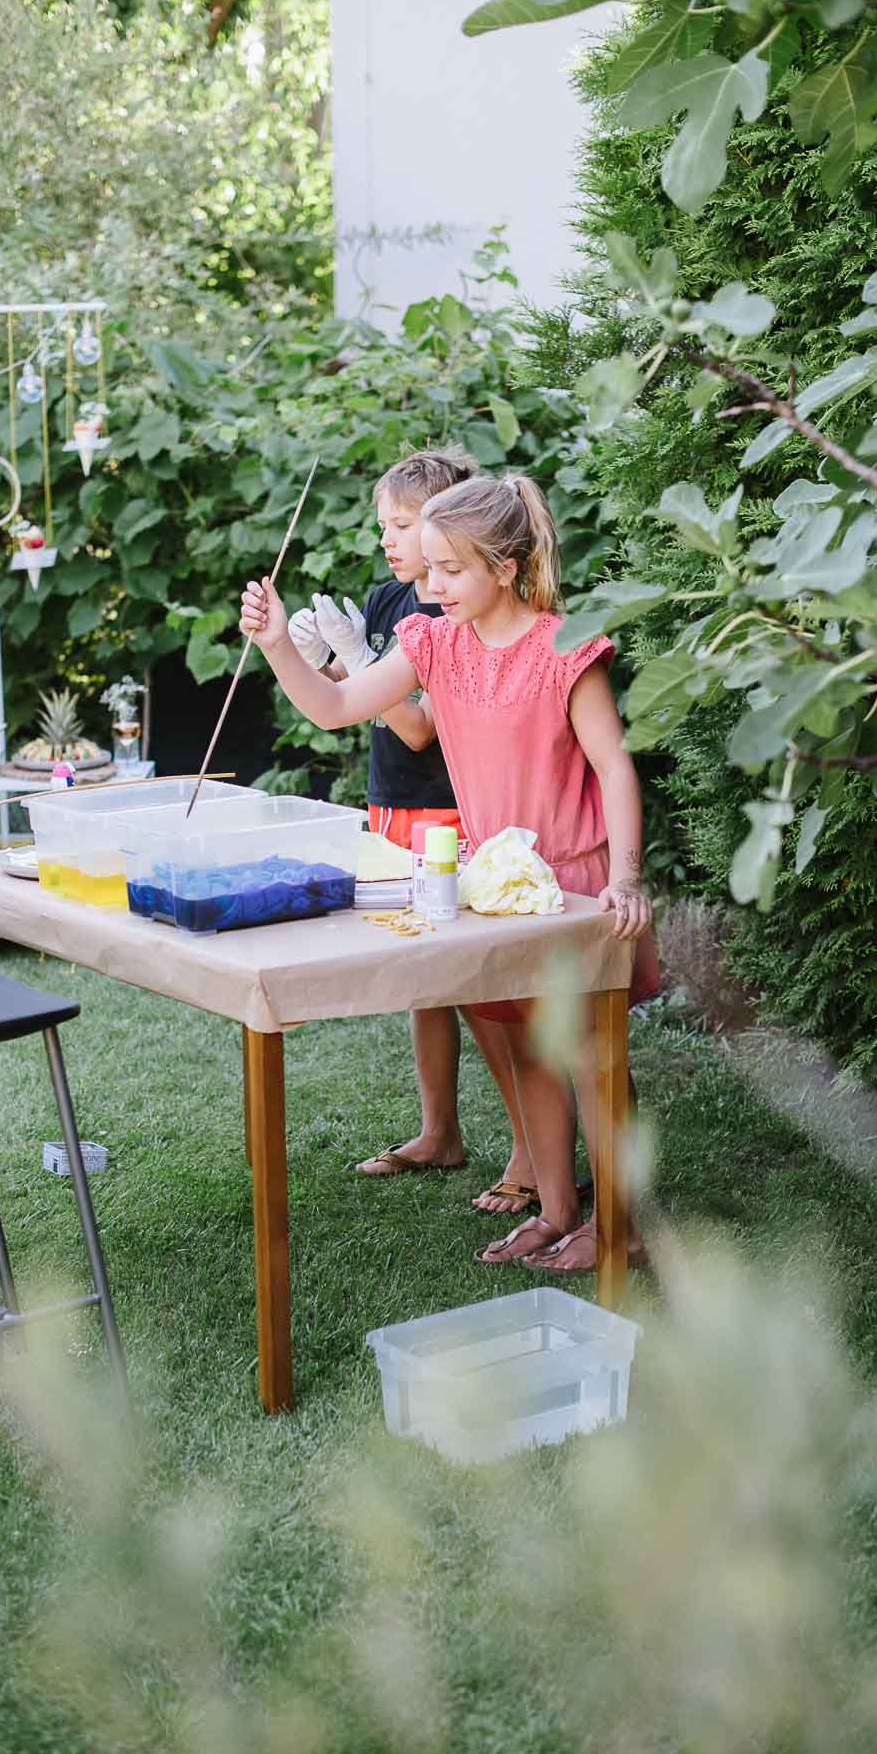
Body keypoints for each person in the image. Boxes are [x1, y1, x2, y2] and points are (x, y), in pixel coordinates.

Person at [240, 473, 659, 1276]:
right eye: (426, 568)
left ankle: (623, 1224)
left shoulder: (567, 648)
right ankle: (558, 1210)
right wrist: (277, 646)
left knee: (593, 1057)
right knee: (529, 1046)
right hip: (497, 883)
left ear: (504, 566)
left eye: (449, 570)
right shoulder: (433, 642)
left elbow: (614, 766)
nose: (430, 586)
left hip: (575, 885)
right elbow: (335, 709)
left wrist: (628, 877)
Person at [286, 450, 542, 1211]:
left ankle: (530, 1155)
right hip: (390, 805)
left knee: (475, 988)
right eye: (386, 527)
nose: (392, 543)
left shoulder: (441, 608)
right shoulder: (385, 595)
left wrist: (354, 654)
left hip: (445, 811)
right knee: (425, 984)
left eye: (404, 525)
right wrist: (324, 664)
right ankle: (440, 1132)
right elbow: (364, 700)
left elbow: (419, 731)